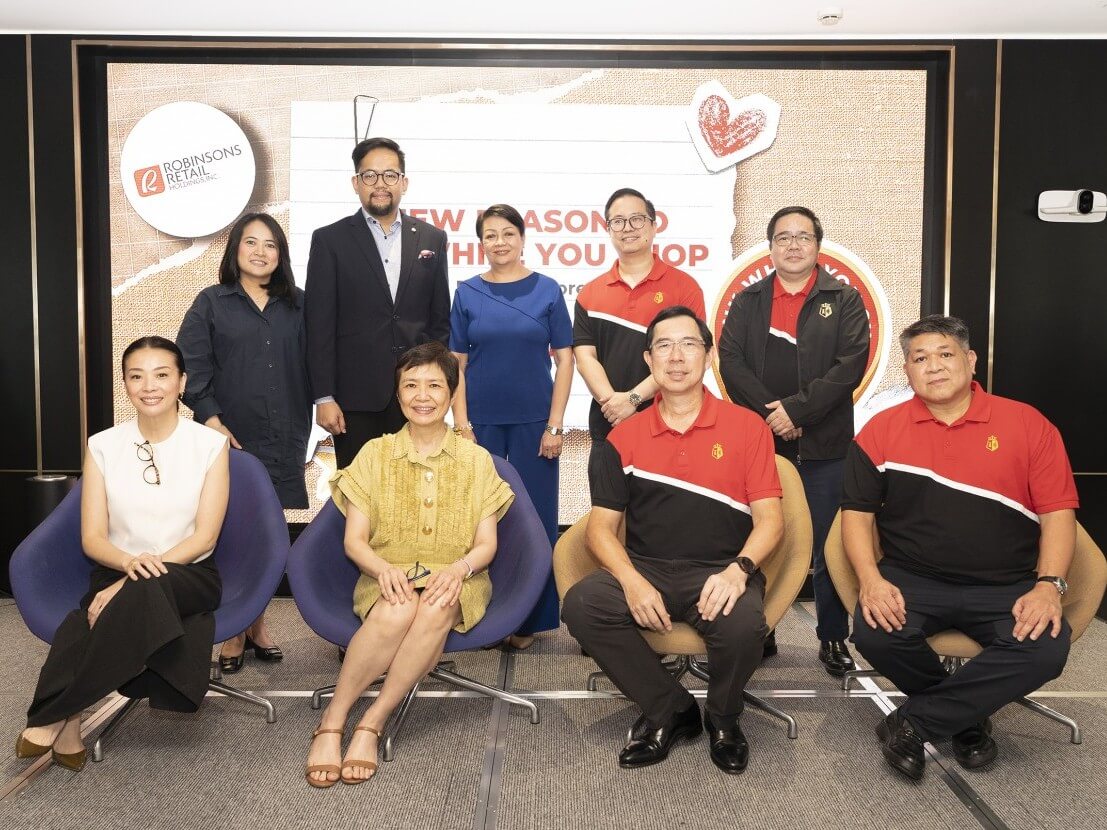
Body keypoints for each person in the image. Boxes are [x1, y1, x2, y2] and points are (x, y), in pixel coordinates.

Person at [843, 315, 1078, 780]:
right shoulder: (880, 431)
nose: (933, 366)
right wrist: (870, 581)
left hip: (1006, 583)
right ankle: (967, 720)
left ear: (970, 361)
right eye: (920, 358)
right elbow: (856, 516)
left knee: (1046, 649)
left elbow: (1058, 513)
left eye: (945, 354)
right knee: (874, 634)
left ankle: (915, 722)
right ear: (907, 371)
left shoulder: (1028, 424)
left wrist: (1049, 585)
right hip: (913, 578)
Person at [562, 306, 784, 775]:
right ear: (648, 359)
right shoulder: (623, 437)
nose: (676, 356)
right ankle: (671, 709)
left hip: (722, 567)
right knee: (583, 606)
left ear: (708, 356)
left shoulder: (748, 427)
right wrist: (631, 581)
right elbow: (600, 529)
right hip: (648, 566)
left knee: (744, 627)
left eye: (689, 344)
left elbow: (770, 522)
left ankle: (723, 717)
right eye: (664, 346)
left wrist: (738, 571)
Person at [304, 342, 514, 788]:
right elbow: (354, 542)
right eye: (411, 385)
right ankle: (333, 720)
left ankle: (372, 722)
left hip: (459, 575)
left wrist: (458, 570)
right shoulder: (374, 454)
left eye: (434, 385)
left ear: (451, 394)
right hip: (386, 572)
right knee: (399, 608)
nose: (422, 396)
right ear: (397, 394)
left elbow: (486, 545)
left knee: (436, 605)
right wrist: (383, 569)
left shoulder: (477, 460)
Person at [16, 337, 228, 772]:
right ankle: (70, 719)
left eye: (162, 375)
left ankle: (59, 711)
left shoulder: (210, 444)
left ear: (182, 382)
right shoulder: (103, 445)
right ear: (126, 384)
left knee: (118, 601)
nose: (149, 386)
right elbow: (93, 538)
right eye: (136, 376)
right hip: (117, 568)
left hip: (188, 574)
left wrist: (133, 579)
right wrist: (128, 568)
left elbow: (205, 537)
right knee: (114, 603)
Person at [718, 205, 868, 671]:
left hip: (826, 445)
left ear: (818, 246)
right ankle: (758, 630)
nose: (793, 245)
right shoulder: (748, 300)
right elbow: (731, 362)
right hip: (763, 444)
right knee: (762, 539)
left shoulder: (844, 299)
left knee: (828, 545)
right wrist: (775, 416)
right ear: (770, 248)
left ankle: (832, 636)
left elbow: (850, 366)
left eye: (803, 236)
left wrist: (799, 412)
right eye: (783, 237)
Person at [178, 211, 310, 672]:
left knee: (270, 532)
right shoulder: (211, 302)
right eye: (251, 242)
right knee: (234, 533)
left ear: (281, 254)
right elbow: (190, 366)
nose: (260, 251)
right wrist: (213, 420)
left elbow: (319, 363)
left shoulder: (300, 304)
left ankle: (253, 624)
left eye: (270, 244)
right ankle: (236, 628)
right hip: (228, 437)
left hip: (285, 431)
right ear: (235, 249)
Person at [449, 204, 574, 649]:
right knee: (477, 521)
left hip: (535, 424)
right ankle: (483, 612)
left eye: (507, 233)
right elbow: (456, 365)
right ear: (480, 242)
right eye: (490, 235)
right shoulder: (467, 292)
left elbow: (566, 361)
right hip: (480, 425)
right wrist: (461, 425)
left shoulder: (547, 290)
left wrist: (555, 426)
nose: (499, 242)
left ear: (522, 238)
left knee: (536, 520)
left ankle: (529, 620)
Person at [304, 136, 450, 469]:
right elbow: (319, 325)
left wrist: (436, 387)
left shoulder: (432, 238)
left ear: (404, 182)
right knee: (358, 492)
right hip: (353, 400)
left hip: (416, 398)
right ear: (356, 183)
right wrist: (324, 397)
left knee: (416, 491)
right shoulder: (330, 240)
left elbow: (439, 322)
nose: (380, 184)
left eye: (390, 175)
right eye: (370, 175)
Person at [573, 188, 705, 441]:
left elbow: (691, 356)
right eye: (618, 221)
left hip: (671, 424)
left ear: (654, 226)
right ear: (608, 229)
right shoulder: (590, 293)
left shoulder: (684, 287)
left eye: (637, 219)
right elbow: (585, 358)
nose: (628, 228)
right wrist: (614, 406)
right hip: (608, 424)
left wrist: (632, 399)